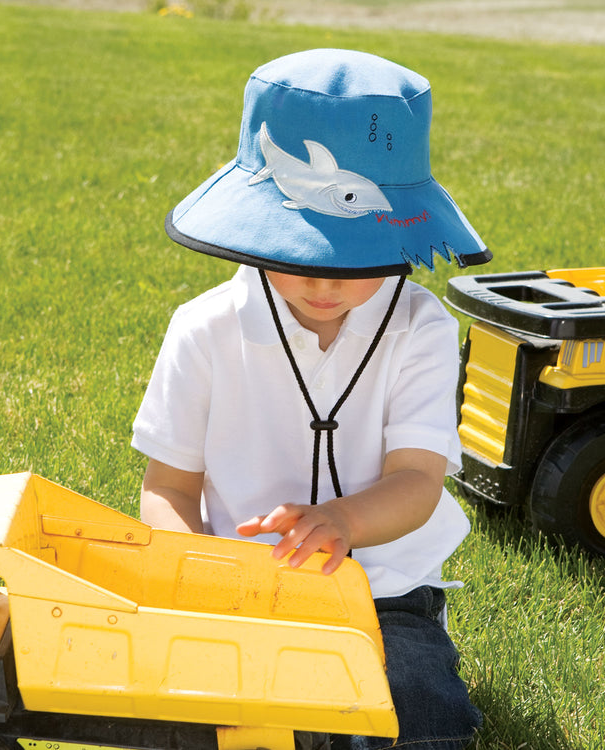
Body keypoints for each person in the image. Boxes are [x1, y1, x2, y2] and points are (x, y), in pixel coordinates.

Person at [132, 48, 492, 750]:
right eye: (298, 254)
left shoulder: (421, 328)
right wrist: (197, 584)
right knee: (184, 723)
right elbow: (168, 487)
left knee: (421, 719)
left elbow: (418, 482)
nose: (324, 284)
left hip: (386, 593)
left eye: (352, 260)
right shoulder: (203, 329)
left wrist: (342, 520)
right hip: (238, 595)